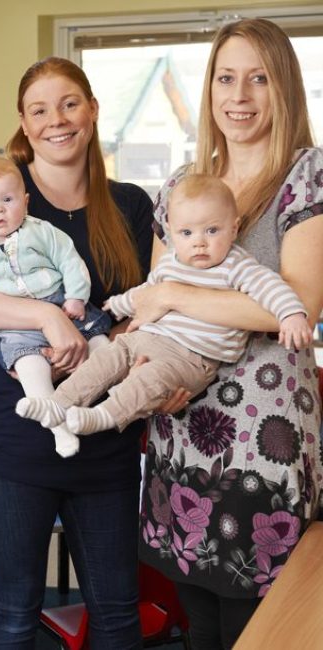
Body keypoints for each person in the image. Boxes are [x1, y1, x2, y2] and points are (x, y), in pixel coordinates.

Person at [0, 57, 154, 648]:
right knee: (13, 613)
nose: (56, 121)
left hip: (104, 435)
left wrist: (100, 347)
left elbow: (142, 307)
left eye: (69, 104)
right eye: (39, 109)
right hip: (12, 440)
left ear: (91, 110)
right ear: (23, 122)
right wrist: (42, 316)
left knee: (116, 614)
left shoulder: (131, 204)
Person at [136, 19, 323, 649]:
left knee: (260, 629)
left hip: (262, 447)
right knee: (200, 624)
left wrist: (173, 295)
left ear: (284, 89)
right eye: (225, 77)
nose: (239, 94)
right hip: (183, 428)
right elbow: (149, 306)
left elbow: (298, 304)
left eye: (258, 78)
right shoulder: (181, 188)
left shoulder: (308, 177)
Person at [17, 174, 311, 442]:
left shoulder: (238, 265)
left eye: (211, 230)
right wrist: (119, 304)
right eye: (187, 233)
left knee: (151, 378)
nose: (199, 243)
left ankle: (104, 415)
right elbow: (149, 292)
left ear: (233, 229)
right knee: (108, 356)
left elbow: (271, 287)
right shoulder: (171, 261)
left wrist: (292, 314)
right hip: (149, 338)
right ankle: (59, 403)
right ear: (170, 231)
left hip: (192, 358)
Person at [0, 158, 111, 458]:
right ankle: (59, 428)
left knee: (103, 348)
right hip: (13, 327)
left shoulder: (41, 231)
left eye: (8, 199)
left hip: (61, 303)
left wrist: (76, 297)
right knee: (30, 370)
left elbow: (70, 262)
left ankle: (115, 404)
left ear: (25, 202)